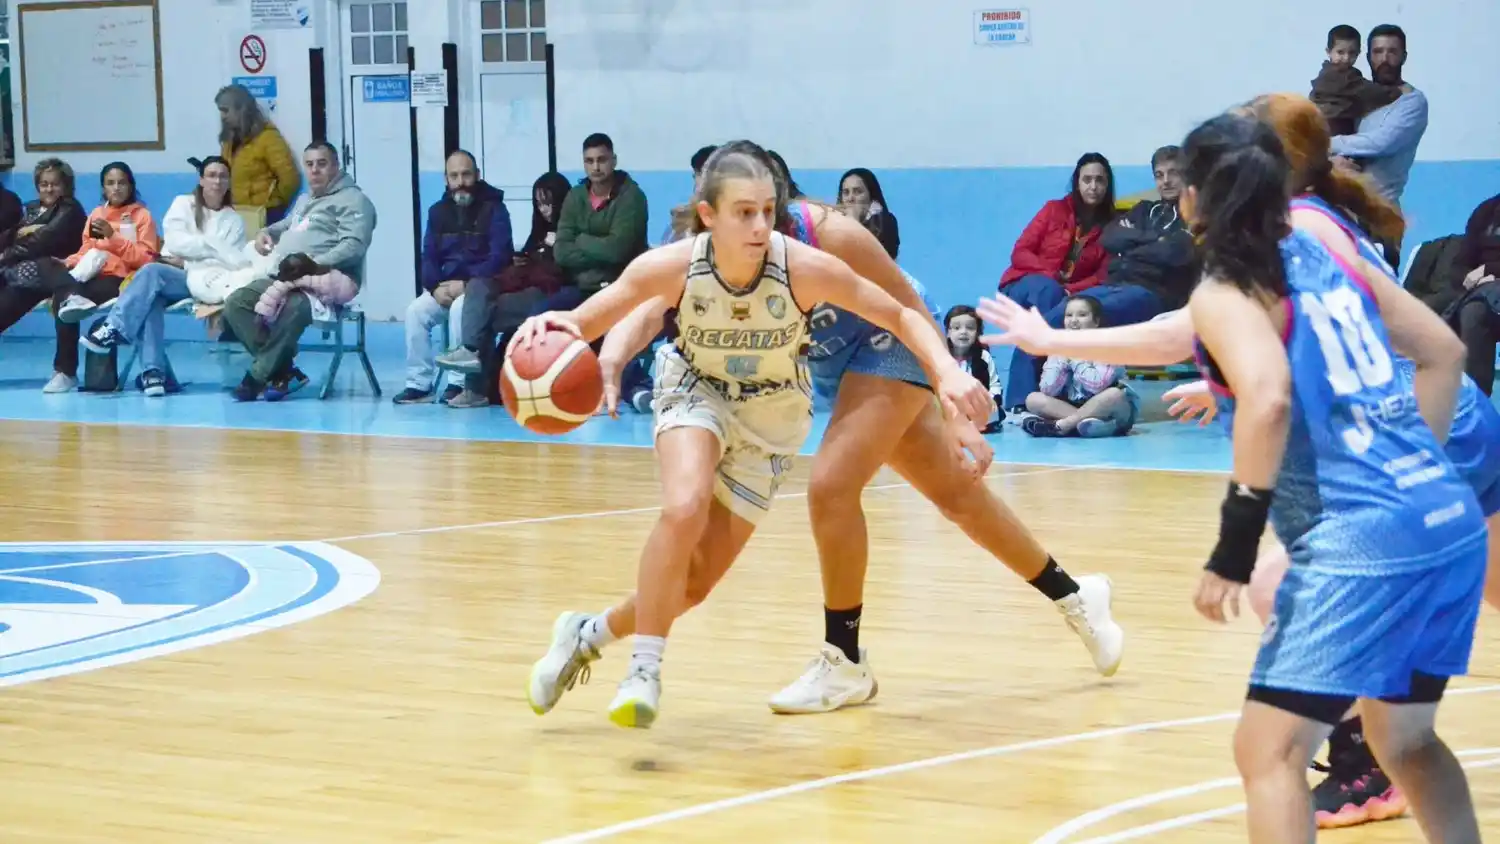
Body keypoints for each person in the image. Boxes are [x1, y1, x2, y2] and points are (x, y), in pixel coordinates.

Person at [988, 109, 1485, 844]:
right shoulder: (1322, 247)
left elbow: (1270, 394)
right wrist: (1052, 335)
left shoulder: (1230, 286)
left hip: (1366, 533)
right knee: (1406, 742)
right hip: (1446, 517)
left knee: (1267, 751)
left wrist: (1233, 544)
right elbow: (1443, 350)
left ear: (1191, 197)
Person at [592, 146, 1125, 717]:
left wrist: (952, 403)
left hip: (891, 341)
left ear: (781, 200)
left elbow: (907, 304)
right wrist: (612, 356)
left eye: (763, 209)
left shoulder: (828, 236)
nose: (754, 223)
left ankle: (844, 660)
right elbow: (653, 306)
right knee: (956, 496)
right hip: (835, 363)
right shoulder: (716, 252)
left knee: (832, 485)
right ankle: (1075, 596)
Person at [519, 141, 993, 729]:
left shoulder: (802, 264)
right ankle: (644, 668)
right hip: (697, 389)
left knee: (692, 586)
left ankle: (586, 635)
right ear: (708, 214)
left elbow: (898, 312)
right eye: (745, 212)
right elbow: (598, 313)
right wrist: (557, 332)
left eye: (769, 210)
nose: (761, 225)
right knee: (685, 502)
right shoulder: (675, 262)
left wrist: (947, 373)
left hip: (771, 417)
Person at [82, 156, 255, 396]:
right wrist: (209, 249)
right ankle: (154, 374)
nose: (217, 181)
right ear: (201, 180)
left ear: (228, 182)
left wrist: (191, 256)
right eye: (212, 175)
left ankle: (116, 328)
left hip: (204, 281)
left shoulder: (233, 221)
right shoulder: (183, 204)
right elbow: (175, 242)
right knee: (151, 295)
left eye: (223, 176)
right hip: (172, 274)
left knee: (152, 273)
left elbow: (229, 261)